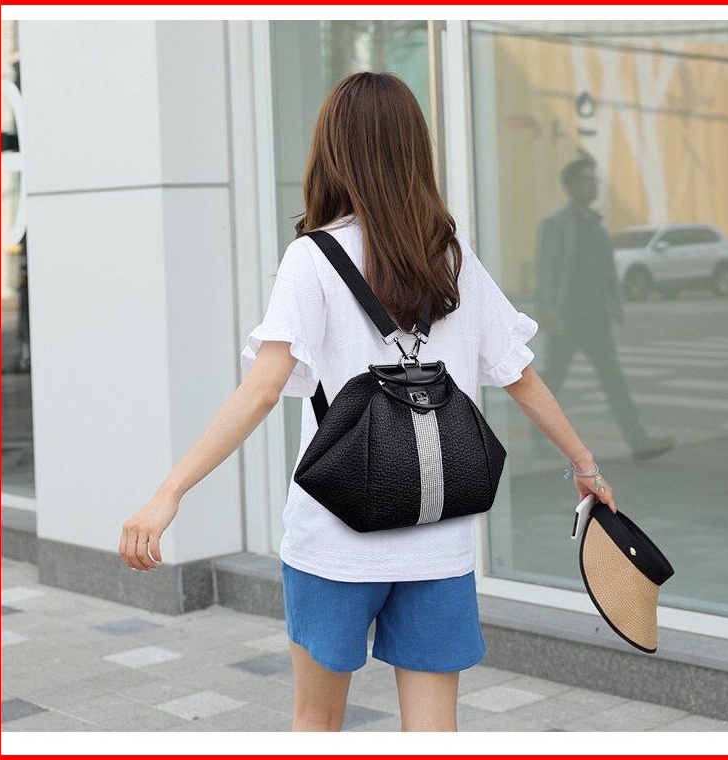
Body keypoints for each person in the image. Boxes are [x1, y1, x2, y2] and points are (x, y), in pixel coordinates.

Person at [119, 72, 619, 732]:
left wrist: (170, 491)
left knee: (317, 722)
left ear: (333, 151)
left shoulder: (313, 258)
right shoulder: (452, 258)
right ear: (415, 151)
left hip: (335, 540)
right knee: (434, 731)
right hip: (438, 541)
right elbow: (519, 374)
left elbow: (262, 390)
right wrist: (584, 464)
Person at [532, 156, 676, 461]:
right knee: (552, 381)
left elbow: (606, 272)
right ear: (571, 186)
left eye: (594, 179)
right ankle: (536, 435)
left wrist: (614, 306)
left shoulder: (597, 226)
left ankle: (638, 442)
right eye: (587, 179)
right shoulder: (557, 225)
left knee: (615, 382)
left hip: (596, 320)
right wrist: (547, 309)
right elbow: (545, 270)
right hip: (567, 321)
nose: (593, 185)